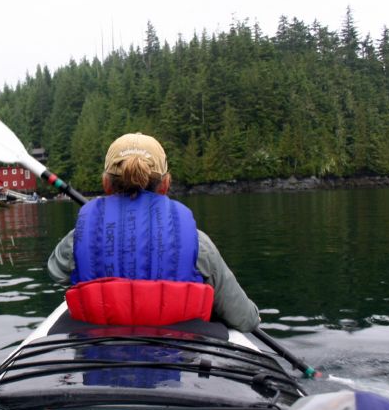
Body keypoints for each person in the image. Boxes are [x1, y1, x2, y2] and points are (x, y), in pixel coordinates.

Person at [47, 132, 260, 332]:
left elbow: (56, 271)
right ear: (165, 184)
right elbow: (245, 318)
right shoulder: (199, 244)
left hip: (100, 353)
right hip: (173, 354)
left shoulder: (79, 238)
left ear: (106, 185)